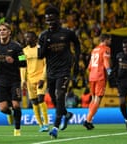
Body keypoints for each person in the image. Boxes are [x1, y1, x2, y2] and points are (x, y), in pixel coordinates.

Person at [38, 5, 81, 138]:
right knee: (53, 96)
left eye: (52, 19)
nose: (50, 22)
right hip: (51, 71)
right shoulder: (43, 35)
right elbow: (40, 55)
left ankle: (55, 127)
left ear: (58, 18)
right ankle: (66, 114)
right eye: (47, 20)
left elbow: (77, 44)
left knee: (60, 93)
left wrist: (77, 60)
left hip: (64, 70)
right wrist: (46, 42)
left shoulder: (67, 33)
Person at [0, 22, 26, 136]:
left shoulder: (17, 47)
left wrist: (14, 61)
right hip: (0, 81)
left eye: (4, 30)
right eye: (0, 30)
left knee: (16, 105)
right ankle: (10, 114)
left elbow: (24, 62)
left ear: (9, 32)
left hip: (14, 80)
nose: (2, 32)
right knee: (3, 108)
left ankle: (17, 130)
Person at [20, 31, 49, 132]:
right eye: (25, 37)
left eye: (29, 37)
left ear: (35, 38)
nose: (26, 39)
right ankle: (41, 125)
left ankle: (46, 122)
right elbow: (22, 66)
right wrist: (23, 80)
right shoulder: (22, 51)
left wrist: (43, 78)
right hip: (29, 80)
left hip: (41, 78)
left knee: (41, 99)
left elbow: (46, 64)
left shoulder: (41, 49)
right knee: (34, 102)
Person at [83, 34, 112, 130]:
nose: (110, 41)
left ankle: (90, 121)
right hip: (100, 76)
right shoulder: (106, 49)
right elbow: (105, 61)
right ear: (106, 39)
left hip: (92, 76)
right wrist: (108, 70)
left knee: (93, 99)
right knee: (97, 99)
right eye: (109, 39)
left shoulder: (94, 50)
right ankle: (87, 120)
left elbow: (90, 66)